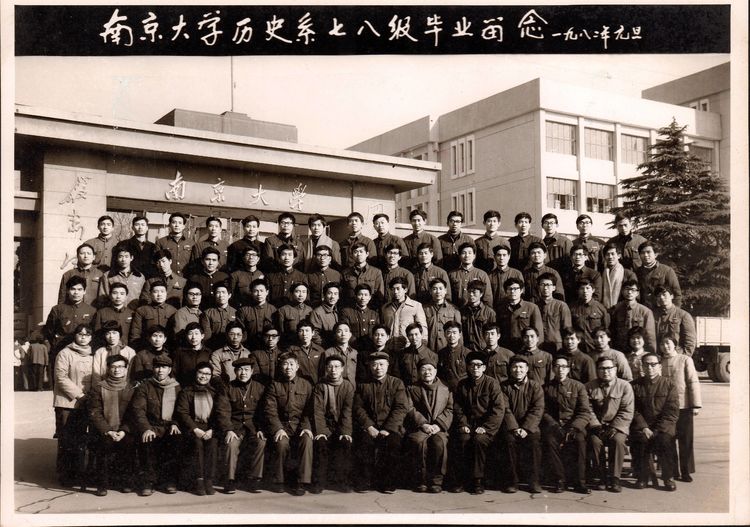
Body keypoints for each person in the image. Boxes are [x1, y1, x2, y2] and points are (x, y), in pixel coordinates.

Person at [449, 351, 507, 494]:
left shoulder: (492, 383)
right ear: (468, 367)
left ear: (484, 368)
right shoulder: (462, 384)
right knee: (462, 439)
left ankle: (477, 480)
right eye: (472, 365)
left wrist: (486, 428)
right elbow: (458, 407)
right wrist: (463, 424)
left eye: (479, 365)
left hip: (486, 426)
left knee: (479, 441)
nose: (475, 368)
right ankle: (461, 480)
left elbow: (498, 409)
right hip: (468, 425)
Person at [352, 351, 409, 493]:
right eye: (375, 365)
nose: (378, 368)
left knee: (393, 444)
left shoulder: (397, 383)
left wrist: (387, 429)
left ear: (388, 365)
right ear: (370, 366)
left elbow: (401, 408)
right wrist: (369, 426)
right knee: (364, 443)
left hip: (391, 427)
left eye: (381, 364)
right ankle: (365, 482)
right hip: (369, 427)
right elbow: (358, 408)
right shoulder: (363, 385)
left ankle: (388, 483)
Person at [130, 354, 182, 496]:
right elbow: (138, 410)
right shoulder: (145, 386)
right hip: (151, 425)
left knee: (175, 440)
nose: (160, 370)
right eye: (158, 367)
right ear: (153, 368)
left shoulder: (176, 387)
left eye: (164, 367)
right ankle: (149, 481)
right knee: (147, 442)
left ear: (169, 370)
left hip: (169, 425)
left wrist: (175, 424)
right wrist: (146, 428)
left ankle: (169, 480)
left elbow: (181, 409)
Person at [264, 352, 315, 495]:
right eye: (285, 364)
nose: (288, 367)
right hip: (282, 426)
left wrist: (306, 427)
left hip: (300, 425)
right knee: (281, 443)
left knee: (307, 440)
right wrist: (278, 429)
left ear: (297, 366)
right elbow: (270, 410)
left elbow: (309, 410)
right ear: (281, 367)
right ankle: (279, 481)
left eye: (291, 364)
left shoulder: (306, 385)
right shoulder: (274, 386)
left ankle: (301, 482)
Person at [541, 354, 592, 494]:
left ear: (568, 369)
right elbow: (543, 411)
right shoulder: (546, 388)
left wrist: (574, 428)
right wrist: (554, 425)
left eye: (564, 366)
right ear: (553, 369)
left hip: (574, 426)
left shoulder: (578, 386)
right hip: (554, 426)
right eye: (557, 366)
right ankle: (560, 480)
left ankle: (580, 482)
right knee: (550, 441)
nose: (560, 369)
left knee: (580, 441)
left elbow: (584, 411)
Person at [215, 356, 267, 493]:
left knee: (261, 442)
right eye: (240, 370)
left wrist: (260, 428)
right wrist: (228, 429)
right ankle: (230, 480)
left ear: (252, 371)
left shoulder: (260, 388)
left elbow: (263, 411)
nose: (243, 373)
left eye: (246, 370)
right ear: (235, 372)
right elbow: (222, 411)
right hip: (234, 427)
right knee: (231, 444)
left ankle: (254, 479)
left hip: (253, 427)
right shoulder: (227, 388)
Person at [87, 354, 136, 496]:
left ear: (126, 369)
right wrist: (108, 430)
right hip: (105, 429)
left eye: (120, 367)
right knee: (103, 445)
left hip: (124, 429)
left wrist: (123, 430)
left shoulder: (131, 388)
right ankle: (102, 484)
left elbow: (134, 413)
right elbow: (95, 412)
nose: (117, 370)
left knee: (128, 444)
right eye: (113, 367)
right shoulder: (98, 388)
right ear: (108, 368)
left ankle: (125, 482)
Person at [630, 352, 680, 491]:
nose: (650, 368)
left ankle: (668, 477)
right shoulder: (634, 385)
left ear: (660, 366)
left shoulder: (669, 384)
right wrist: (644, 427)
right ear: (642, 366)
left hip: (663, 427)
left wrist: (657, 430)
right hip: (642, 426)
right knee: (640, 440)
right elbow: (633, 409)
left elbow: (671, 412)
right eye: (646, 364)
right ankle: (642, 477)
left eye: (653, 364)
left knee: (665, 441)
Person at [53, 323, 94, 488]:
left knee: (81, 440)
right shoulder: (65, 353)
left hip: (86, 403)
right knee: (67, 440)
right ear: (75, 336)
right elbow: (61, 377)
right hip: (67, 403)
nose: (83, 337)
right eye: (80, 334)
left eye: (87, 335)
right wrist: (80, 395)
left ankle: (79, 473)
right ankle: (66, 475)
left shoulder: (93, 354)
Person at [405, 357, 453, 493]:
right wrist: (423, 424)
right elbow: (409, 408)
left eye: (430, 369)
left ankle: (437, 481)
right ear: (418, 372)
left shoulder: (446, 389)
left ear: (436, 371)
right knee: (419, 443)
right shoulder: (411, 388)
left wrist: (439, 425)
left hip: (439, 428)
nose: (427, 372)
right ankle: (421, 480)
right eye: (423, 369)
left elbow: (450, 409)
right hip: (419, 427)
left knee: (439, 443)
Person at [586, 357, 634, 493]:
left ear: (615, 369)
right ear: (597, 370)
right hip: (597, 427)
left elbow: (627, 410)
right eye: (602, 368)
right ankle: (601, 476)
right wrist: (596, 426)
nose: (605, 371)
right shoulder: (589, 386)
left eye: (609, 368)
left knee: (617, 441)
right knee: (594, 442)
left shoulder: (625, 386)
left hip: (618, 426)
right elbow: (587, 409)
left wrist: (615, 427)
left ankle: (615, 478)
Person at [659, 335, 702, 483]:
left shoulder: (685, 360)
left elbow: (693, 382)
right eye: (662, 344)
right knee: (668, 440)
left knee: (686, 440)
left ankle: (686, 471)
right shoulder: (659, 362)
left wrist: (695, 405)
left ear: (675, 344)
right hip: (666, 408)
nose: (665, 346)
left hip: (684, 406)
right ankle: (673, 471)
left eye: (668, 343)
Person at [499, 355, 545, 494]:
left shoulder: (535, 386)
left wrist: (526, 428)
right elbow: (504, 408)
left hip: (529, 426)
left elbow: (537, 409)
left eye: (521, 367)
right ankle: (512, 482)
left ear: (527, 369)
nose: (517, 370)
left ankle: (534, 481)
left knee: (534, 441)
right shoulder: (504, 386)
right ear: (510, 369)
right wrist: (514, 428)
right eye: (514, 367)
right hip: (511, 426)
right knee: (509, 441)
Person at [175, 362, 221, 496]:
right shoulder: (186, 391)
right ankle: (199, 480)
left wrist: (212, 430)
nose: (203, 376)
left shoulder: (214, 392)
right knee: (197, 444)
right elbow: (183, 412)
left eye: (207, 374)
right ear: (196, 373)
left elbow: (219, 413)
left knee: (213, 443)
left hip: (210, 428)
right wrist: (195, 429)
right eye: (201, 373)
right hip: (192, 427)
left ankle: (209, 480)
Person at [312, 354, 355, 493]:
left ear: (342, 369)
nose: (333, 370)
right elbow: (317, 411)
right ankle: (319, 483)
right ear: (326, 369)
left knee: (345, 443)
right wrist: (322, 431)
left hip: (341, 425)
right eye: (330, 367)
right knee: (321, 443)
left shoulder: (348, 386)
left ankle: (343, 482)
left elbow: (347, 411)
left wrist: (345, 432)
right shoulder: (320, 386)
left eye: (337, 367)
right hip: (324, 425)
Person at [45, 276, 97, 374]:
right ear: (68, 291)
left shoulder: (92, 311)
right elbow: (49, 331)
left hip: (83, 353)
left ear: (84, 291)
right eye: (73, 289)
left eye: (79, 289)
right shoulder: (57, 309)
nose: (76, 292)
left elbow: (94, 333)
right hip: (61, 350)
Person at [494, 277, 543, 352]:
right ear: (506, 291)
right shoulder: (500, 308)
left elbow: (538, 331)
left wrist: (535, 350)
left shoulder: (532, 307)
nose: (512, 291)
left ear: (521, 290)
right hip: (506, 347)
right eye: (510, 289)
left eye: (516, 289)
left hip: (525, 347)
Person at [610, 279, 657, 353]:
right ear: (622, 291)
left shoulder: (645, 312)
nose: (629, 292)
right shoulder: (616, 310)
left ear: (637, 293)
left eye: (633, 290)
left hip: (638, 350)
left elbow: (650, 337)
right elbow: (612, 332)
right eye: (627, 289)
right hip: (620, 349)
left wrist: (650, 353)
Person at [381, 276, 427, 350]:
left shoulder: (416, 306)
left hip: (409, 347)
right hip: (389, 347)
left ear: (405, 290)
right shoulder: (385, 308)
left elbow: (422, 327)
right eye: (393, 289)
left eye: (398, 289)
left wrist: (422, 346)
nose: (395, 292)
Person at [130, 281, 177, 348]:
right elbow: (135, 332)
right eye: (155, 292)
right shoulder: (141, 310)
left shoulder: (173, 310)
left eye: (162, 291)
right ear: (150, 293)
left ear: (166, 293)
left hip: (167, 348)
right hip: (146, 347)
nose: (159, 294)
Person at [636, 241, 683, 309]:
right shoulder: (637, 272)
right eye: (642, 253)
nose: (645, 255)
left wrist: (674, 311)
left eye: (648, 252)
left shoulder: (667, 271)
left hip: (662, 310)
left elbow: (677, 294)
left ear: (655, 254)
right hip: (644, 310)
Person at [98, 245, 146, 309]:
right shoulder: (108, 275)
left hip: (134, 312)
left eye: (126, 256)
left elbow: (143, 297)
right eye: (120, 256)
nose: (123, 259)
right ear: (117, 258)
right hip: (114, 311)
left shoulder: (139, 276)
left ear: (131, 258)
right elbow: (103, 297)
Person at [654, 285, 696, 356]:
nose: (661, 297)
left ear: (671, 296)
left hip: (677, 356)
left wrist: (683, 358)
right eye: (658, 296)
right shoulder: (653, 315)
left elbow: (690, 342)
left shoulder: (683, 315)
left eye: (664, 295)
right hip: (658, 357)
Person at [569, 278, 610, 353]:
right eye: (582, 288)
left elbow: (606, 329)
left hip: (595, 348)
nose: (585, 291)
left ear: (593, 290)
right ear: (578, 291)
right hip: (578, 348)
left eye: (588, 288)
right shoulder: (572, 308)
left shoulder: (600, 308)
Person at [91, 320, 136, 388]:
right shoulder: (100, 352)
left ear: (119, 334)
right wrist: (99, 387)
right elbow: (96, 373)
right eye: (108, 333)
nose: (111, 336)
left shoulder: (129, 351)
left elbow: (131, 373)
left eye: (114, 333)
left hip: (124, 387)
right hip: (104, 387)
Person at [236, 279, 278, 350]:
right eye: (256, 291)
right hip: (249, 347)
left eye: (262, 291)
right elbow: (240, 331)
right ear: (251, 292)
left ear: (267, 292)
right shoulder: (243, 310)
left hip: (268, 348)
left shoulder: (273, 310)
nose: (259, 294)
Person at [536, 272, 572, 353]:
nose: (545, 288)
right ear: (538, 287)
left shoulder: (561, 306)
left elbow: (567, 329)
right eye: (542, 284)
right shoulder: (535, 306)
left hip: (557, 346)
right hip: (539, 346)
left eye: (548, 285)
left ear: (554, 288)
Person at [341, 242, 385, 308]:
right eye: (355, 252)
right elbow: (343, 295)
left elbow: (380, 295)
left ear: (367, 254)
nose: (358, 254)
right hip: (351, 308)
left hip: (370, 309)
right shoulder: (345, 273)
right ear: (352, 255)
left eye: (361, 251)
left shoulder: (376, 272)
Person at [423, 278, 461, 353]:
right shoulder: (424, 309)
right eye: (435, 289)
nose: (438, 292)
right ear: (430, 291)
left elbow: (460, 332)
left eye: (440, 288)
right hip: (429, 349)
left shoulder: (454, 309)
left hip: (448, 349)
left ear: (445, 290)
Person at [449, 243, 493, 308]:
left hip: (475, 311)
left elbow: (487, 298)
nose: (467, 255)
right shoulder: (452, 274)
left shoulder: (482, 274)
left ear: (474, 256)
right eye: (464, 253)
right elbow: (448, 296)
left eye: (470, 253)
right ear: (459, 256)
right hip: (455, 310)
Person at [210, 321, 252, 387]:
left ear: (242, 336)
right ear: (227, 335)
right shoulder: (217, 354)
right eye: (232, 334)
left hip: (245, 388)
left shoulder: (248, 353)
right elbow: (215, 375)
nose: (235, 337)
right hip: (226, 388)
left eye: (238, 334)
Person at [339, 283, 380, 351]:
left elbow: (377, 332)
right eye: (360, 294)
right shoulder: (346, 312)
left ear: (370, 297)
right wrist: (357, 345)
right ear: (355, 296)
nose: (363, 298)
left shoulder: (375, 314)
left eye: (366, 295)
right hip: (352, 348)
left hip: (371, 348)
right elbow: (345, 331)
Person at [92, 282, 135, 347]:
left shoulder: (132, 313)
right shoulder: (101, 312)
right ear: (110, 295)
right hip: (106, 348)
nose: (118, 296)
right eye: (115, 293)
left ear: (126, 296)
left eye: (122, 294)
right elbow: (97, 335)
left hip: (126, 348)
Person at [394, 322, 438, 386]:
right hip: (406, 389)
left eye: (416, 334)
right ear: (407, 337)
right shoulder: (401, 354)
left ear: (421, 335)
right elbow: (397, 375)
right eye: (411, 335)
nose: (414, 337)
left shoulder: (432, 355)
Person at [459, 279, 497, 352]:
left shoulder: (489, 312)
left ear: (481, 294)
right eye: (469, 292)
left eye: (474, 292)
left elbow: (493, 334)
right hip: (466, 350)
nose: (471, 294)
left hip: (483, 350)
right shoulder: (461, 311)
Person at [199, 280, 237, 350]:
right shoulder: (207, 313)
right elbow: (207, 336)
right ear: (214, 295)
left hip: (232, 347)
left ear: (229, 295)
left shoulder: (236, 313)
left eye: (223, 292)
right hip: (213, 347)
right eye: (218, 292)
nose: (221, 295)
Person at [172, 322, 212, 387]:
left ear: (202, 336)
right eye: (190, 334)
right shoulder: (179, 352)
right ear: (186, 336)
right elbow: (173, 373)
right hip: (184, 388)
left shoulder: (208, 353)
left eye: (196, 333)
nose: (193, 337)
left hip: (204, 388)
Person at [286, 320, 326, 385]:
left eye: (307, 330)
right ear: (298, 333)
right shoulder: (291, 350)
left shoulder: (320, 350)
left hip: (317, 385)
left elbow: (323, 372)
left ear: (313, 333)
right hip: (299, 385)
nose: (304, 334)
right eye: (301, 331)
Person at [321, 322, 359, 387]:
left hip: (353, 388)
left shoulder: (355, 353)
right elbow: (325, 374)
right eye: (339, 331)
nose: (343, 334)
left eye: (346, 331)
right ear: (335, 335)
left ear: (350, 334)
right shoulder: (328, 353)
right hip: (334, 388)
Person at [600, 242, 637, 309]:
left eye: (613, 254)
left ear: (619, 255)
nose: (610, 257)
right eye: (607, 254)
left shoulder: (628, 274)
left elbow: (634, 295)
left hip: (622, 309)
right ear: (604, 257)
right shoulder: (601, 273)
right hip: (604, 309)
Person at [154, 212, 193, 277]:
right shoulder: (161, 242)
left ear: (184, 226)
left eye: (180, 223)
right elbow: (156, 262)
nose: (177, 225)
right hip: (167, 278)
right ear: (169, 224)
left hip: (185, 278)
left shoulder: (191, 243)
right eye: (174, 222)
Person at [437, 321, 470, 392]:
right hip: (446, 391)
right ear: (444, 334)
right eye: (449, 332)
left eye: (454, 333)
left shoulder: (467, 353)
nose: (452, 336)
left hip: (464, 390)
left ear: (459, 335)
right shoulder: (441, 354)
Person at [309, 281, 342, 347]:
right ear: (324, 295)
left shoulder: (339, 311)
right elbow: (314, 334)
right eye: (329, 293)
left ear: (338, 297)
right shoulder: (317, 312)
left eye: (335, 294)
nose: (332, 296)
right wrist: (326, 346)